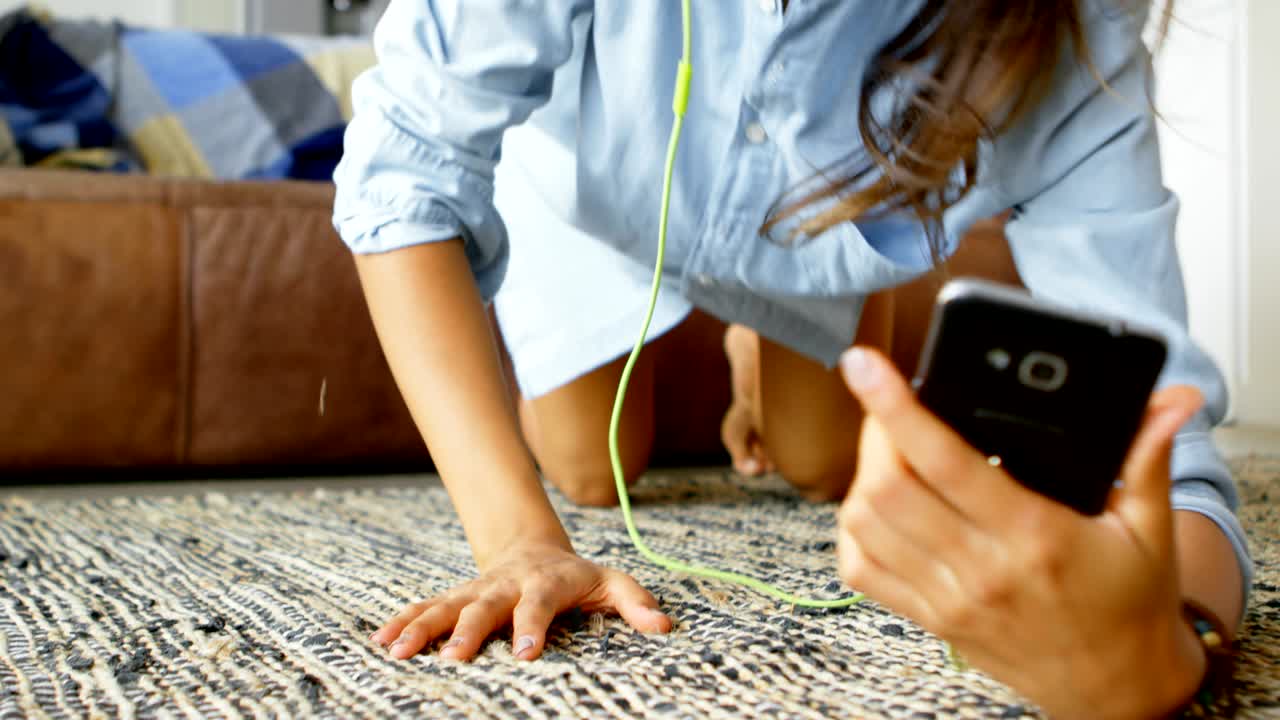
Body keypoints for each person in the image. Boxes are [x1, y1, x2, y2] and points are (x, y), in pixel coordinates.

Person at [333, 1, 1251, 715]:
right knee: (587, 469)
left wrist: (1173, 640)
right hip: (593, 198)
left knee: (824, 464)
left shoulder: (1071, 33)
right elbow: (401, 181)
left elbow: (1174, 448)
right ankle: (742, 327)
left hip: (816, 224)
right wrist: (518, 543)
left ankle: (760, 322)